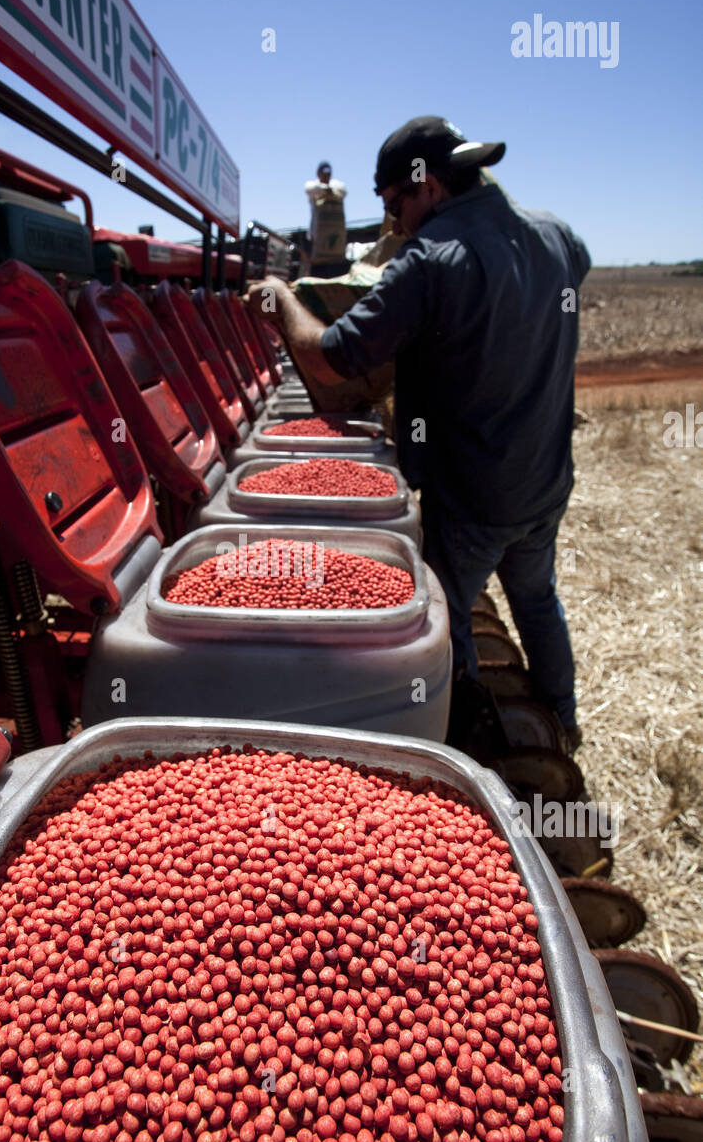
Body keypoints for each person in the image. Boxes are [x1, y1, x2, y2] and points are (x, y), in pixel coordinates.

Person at [248, 116, 591, 750]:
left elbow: (327, 360)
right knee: (537, 598)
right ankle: (561, 726)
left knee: (447, 612)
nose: (395, 224)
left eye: (394, 204)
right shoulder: (560, 237)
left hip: (474, 493)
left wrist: (279, 300)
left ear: (427, 186)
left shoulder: (431, 260)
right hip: (545, 478)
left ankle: (468, 744)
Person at [303, 161, 347, 278]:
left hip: (336, 244)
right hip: (316, 237)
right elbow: (309, 188)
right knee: (317, 273)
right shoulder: (313, 186)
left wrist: (330, 190)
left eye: (328, 174)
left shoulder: (337, 185)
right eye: (323, 174)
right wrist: (325, 189)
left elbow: (343, 191)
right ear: (318, 174)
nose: (326, 176)